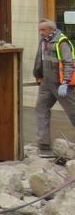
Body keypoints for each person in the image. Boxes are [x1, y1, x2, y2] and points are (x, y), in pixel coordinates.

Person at [33, 19, 75, 156]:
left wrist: (66, 82)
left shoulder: (62, 42)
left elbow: (69, 62)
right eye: (39, 30)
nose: (40, 33)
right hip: (46, 83)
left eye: (43, 30)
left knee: (73, 112)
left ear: (51, 29)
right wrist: (38, 75)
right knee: (41, 110)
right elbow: (40, 60)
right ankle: (44, 146)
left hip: (61, 84)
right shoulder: (43, 41)